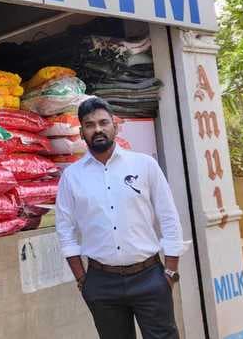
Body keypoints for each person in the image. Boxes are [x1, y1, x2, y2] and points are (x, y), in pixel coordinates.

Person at [55, 97, 185, 339]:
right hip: (101, 282)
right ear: (82, 132)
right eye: (90, 125)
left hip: (150, 277)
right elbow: (64, 230)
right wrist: (83, 280)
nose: (98, 129)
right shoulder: (72, 177)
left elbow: (169, 218)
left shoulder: (144, 165)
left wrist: (170, 272)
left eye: (103, 122)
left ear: (115, 125)